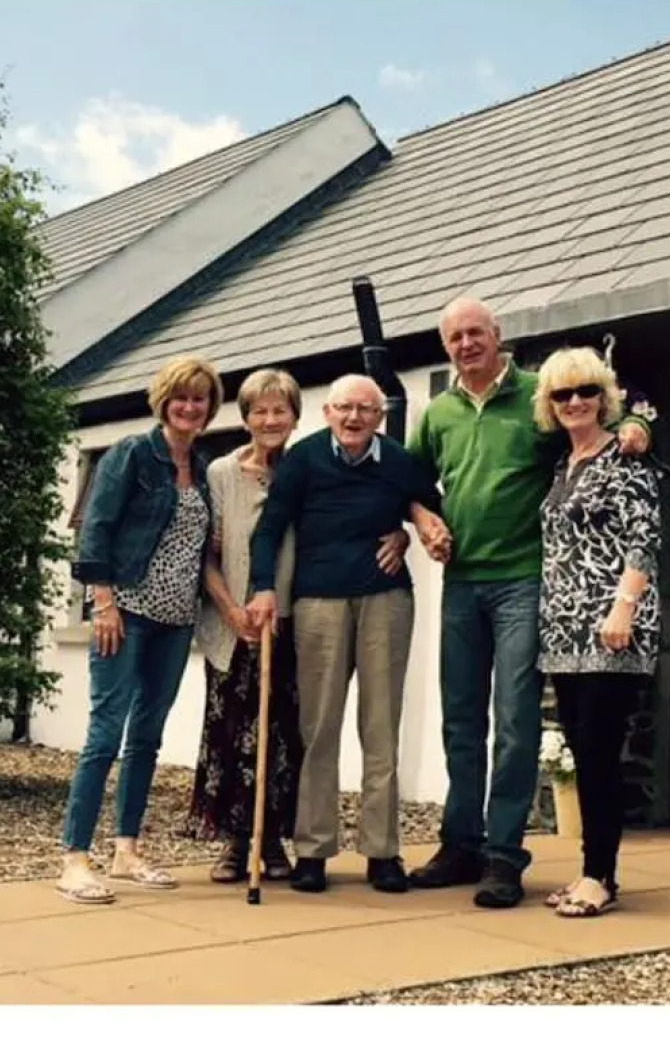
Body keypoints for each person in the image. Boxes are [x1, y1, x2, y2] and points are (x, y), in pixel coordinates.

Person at [406, 296, 655, 909]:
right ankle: (460, 842)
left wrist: (640, 427)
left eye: (476, 332)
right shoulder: (437, 413)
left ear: (498, 336)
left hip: (525, 582)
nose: (466, 344)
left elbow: (615, 417)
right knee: (461, 720)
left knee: (516, 726)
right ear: (446, 347)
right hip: (461, 582)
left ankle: (503, 856)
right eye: (455, 337)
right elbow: (409, 481)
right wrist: (419, 519)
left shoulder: (538, 396)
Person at [190, 368, 411, 883]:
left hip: (305, 616)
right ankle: (263, 844)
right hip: (256, 617)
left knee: (301, 734)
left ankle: (354, 850)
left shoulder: (310, 459)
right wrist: (240, 602)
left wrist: (405, 530)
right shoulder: (227, 471)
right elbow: (234, 544)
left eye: (280, 410)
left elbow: (414, 495)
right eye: (260, 411)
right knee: (258, 736)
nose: (270, 419)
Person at [246, 374, 445, 895]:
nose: (353, 418)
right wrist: (264, 587)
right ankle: (313, 850)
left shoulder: (400, 462)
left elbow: (432, 508)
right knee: (319, 729)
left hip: (385, 599)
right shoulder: (304, 460)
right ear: (327, 413)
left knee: (381, 726)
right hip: (318, 602)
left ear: (380, 416)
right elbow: (269, 528)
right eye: (343, 409)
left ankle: (382, 852)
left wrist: (408, 530)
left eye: (364, 409)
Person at [56, 355, 222, 905]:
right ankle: (75, 860)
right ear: (163, 399)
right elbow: (96, 530)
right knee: (105, 733)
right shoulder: (132, 454)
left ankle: (126, 850)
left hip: (176, 623)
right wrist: (101, 603)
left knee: (147, 738)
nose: (191, 406)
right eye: (182, 396)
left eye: (201, 398)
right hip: (124, 614)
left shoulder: (200, 468)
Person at [533, 346, 662, 918]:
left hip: (610, 631)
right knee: (585, 754)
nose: (575, 402)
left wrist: (624, 608)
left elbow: (644, 539)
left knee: (600, 753)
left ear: (605, 398)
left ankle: (599, 876)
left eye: (586, 391)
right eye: (563, 394)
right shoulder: (564, 465)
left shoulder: (625, 460)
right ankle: (592, 869)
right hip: (564, 632)